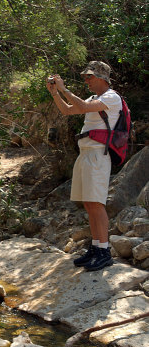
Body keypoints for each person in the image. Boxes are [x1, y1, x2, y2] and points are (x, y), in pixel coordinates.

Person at [46, 61, 122, 271]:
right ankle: (96, 248)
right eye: (86, 76)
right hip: (86, 154)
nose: (86, 80)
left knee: (96, 204)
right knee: (89, 204)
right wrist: (55, 94)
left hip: (98, 155)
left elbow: (85, 108)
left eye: (89, 76)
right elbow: (68, 111)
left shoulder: (111, 97)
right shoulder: (93, 98)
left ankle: (104, 251)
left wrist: (64, 89)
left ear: (102, 78)